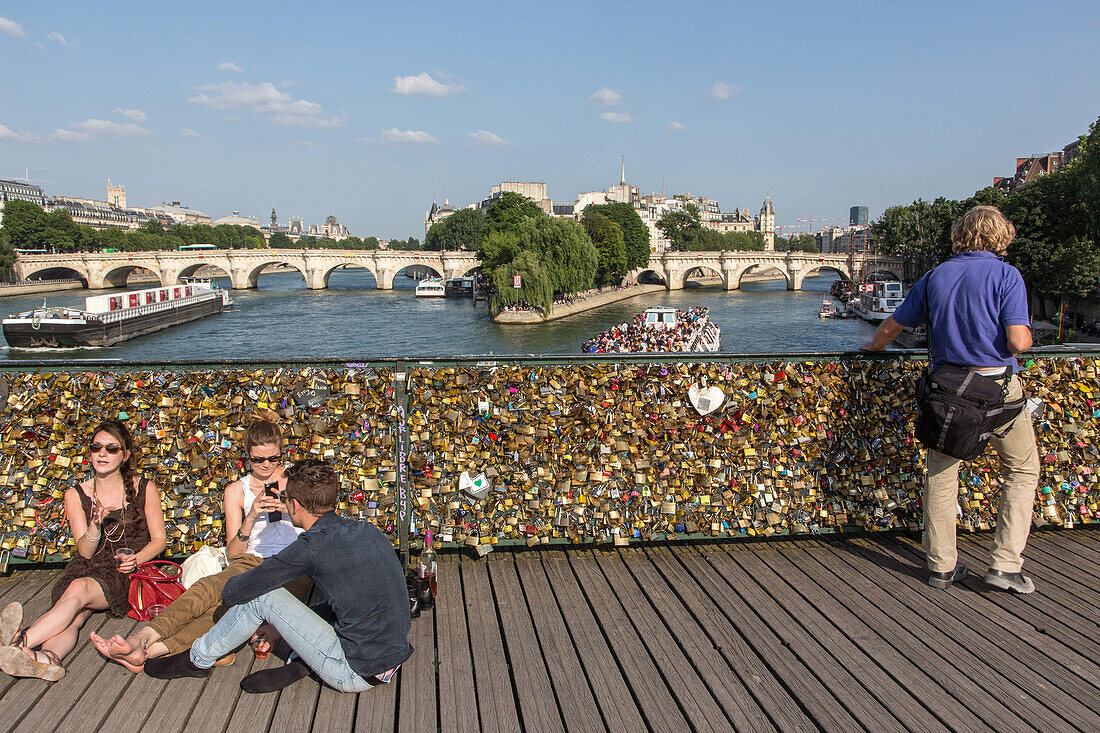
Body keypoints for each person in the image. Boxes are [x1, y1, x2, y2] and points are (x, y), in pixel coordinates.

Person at [860, 205, 1039, 593]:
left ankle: (941, 565)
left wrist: (873, 347)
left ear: (960, 236)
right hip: (998, 392)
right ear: (1001, 237)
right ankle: (1005, 565)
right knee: (1022, 471)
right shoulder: (1007, 276)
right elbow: (1018, 342)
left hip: (947, 390)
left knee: (941, 474)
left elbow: (890, 327)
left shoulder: (936, 275)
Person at [144, 460, 413, 694]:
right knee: (324, 603)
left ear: (294, 505)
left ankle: (197, 660)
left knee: (264, 596)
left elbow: (234, 593)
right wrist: (279, 624)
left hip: (355, 670)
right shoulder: (368, 530)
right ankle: (301, 664)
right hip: (390, 661)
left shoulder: (311, 546)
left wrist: (246, 589)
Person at [91, 412, 309, 672]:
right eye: (258, 459)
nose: (266, 465)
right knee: (207, 589)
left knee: (227, 609)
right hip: (251, 560)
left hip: (294, 562)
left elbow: (319, 524)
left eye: (273, 458)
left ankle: (155, 651)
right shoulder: (236, 490)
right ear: (247, 455)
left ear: (281, 453)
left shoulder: (298, 481)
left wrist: (289, 509)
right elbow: (234, 551)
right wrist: (250, 517)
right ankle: (142, 638)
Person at [0, 420, 166, 681]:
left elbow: (159, 540)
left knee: (76, 592)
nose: (102, 453)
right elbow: (86, 552)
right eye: (96, 447)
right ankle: (47, 660)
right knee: (74, 615)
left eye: (111, 449)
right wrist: (95, 524)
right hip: (87, 566)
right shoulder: (77, 494)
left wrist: (136, 559)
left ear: (125, 456)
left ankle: (19, 642)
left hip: (125, 572)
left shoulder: (144, 487)